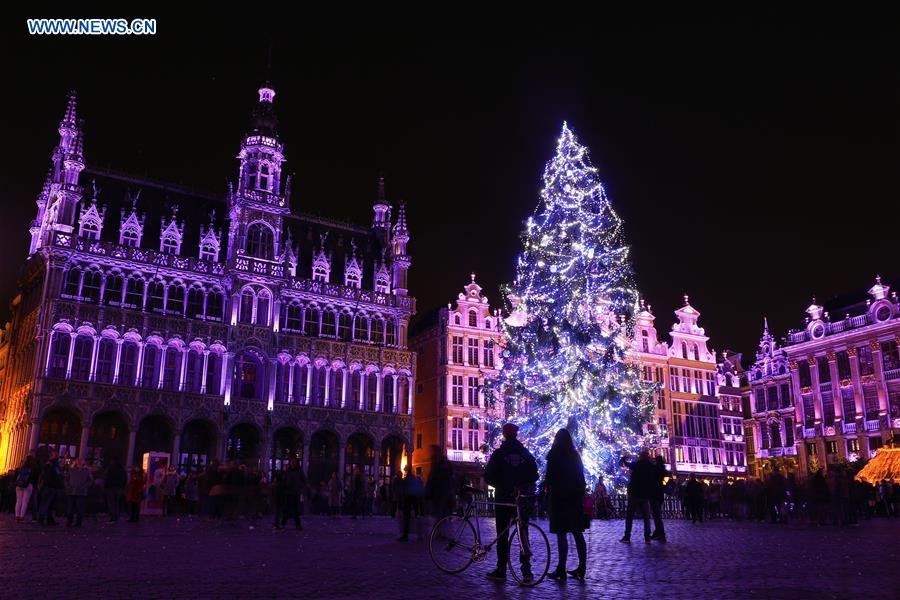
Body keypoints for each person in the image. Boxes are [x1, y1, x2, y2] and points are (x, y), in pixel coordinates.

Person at [483, 423, 539, 582]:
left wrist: (502, 485)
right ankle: (526, 569)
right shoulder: (525, 453)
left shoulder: (499, 454)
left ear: (504, 435)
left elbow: (488, 476)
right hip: (521, 498)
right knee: (523, 534)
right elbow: (535, 475)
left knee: (502, 533)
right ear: (516, 435)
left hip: (503, 497)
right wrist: (522, 485)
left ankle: (501, 568)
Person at [544, 429, 587, 582]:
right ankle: (582, 567)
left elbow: (549, 478)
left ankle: (561, 567)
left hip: (559, 498)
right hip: (574, 498)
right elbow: (581, 477)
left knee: (561, 533)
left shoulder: (554, 455)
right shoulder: (575, 456)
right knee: (577, 533)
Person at [620, 451, 655, 543]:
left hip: (634, 493)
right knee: (646, 518)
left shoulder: (637, 464)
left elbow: (627, 464)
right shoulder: (650, 466)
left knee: (630, 516)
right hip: (645, 494)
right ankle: (647, 538)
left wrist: (624, 459)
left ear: (641, 457)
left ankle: (627, 536)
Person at [424, 444, 455, 523]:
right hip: (444, 491)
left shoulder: (437, 462)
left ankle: (440, 526)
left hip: (439, 491)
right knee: (441, 513)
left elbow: (432, 476)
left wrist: (427, 489)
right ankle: (441, 525)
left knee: (439, 512)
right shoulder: (445, 463)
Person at [396, 465, 425, 542]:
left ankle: (405, 535)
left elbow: (403, 490)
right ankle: (420, 535)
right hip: (416, 499)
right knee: (417, 516)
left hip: (408, 499)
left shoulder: (406, 479)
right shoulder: (416, 479)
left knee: (407, 518)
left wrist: (401, 500)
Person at [38, 450, 65, 526]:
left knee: (51, 505)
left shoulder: (55, 465)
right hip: (49, 487)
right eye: (55, 455)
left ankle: (49, 519)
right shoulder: (49, 465)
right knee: (46, 504)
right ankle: (41, 519)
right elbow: (47, 476)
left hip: (54, 487)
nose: (57, 456)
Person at [65, 458, 92, 527]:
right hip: (71, 492)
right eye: (78, 461)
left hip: (81, 492)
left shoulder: (86, 471)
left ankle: (78, 522)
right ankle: (69, 521)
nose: (79, 462)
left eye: (81, 461)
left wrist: (85, 486)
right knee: (70, 508)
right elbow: (66, 479)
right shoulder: (71, 470)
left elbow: (90, 480)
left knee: (79, 508)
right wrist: (68, 487)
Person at [282, 458, 306, 530]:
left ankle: (297, 525)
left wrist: (299, 487)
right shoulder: (288, 470)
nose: (293, 463)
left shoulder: (299, 470)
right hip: (289, 492)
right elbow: (284, 479)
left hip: (296, 492)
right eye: (292, 462)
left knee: (295, 509)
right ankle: (283, 523)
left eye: (294, 462)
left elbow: (304, 480)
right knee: (287, 508)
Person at [14, 455, 39, 523]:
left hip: (19, 485)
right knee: (25, 502)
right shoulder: (33, 468)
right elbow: (35, 478)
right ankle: (21, 517)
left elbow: (15, 477)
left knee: (18, 501)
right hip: (28, 485)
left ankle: (17, 516)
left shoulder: (20, 468)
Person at [650, 455, 668, 542]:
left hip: (655, 493)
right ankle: (657, 532)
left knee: (656, 514)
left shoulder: (655, 469)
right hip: (660, 493)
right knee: (657, 514)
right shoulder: (663, 469)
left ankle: (661, 533)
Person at [105, 458, 127, 523]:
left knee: (111, 503)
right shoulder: (122, 469)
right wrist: (123, 487)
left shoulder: (110, 468)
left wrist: (106, 486)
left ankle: (112, 517)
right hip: (119, 488)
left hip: (111, 487)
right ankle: (116, 516)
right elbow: (125, 478)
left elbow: (107, 477)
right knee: (116, 503)